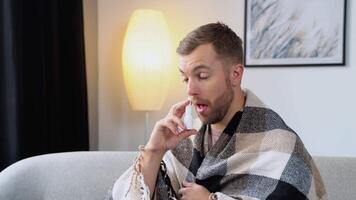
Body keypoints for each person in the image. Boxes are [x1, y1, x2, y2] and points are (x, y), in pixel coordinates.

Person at [109, 22, 327, 200]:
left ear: (235, 74)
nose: (190, 90)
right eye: (185, 78)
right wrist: (154, 151)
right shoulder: (185, 138)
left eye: (202, 76)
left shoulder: (280, 144)